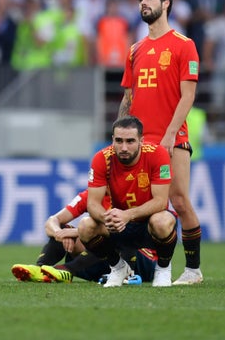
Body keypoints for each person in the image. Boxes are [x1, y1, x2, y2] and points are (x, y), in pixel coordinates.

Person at [118, 0, 204, 285]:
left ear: (166, 3)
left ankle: (193, 269)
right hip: (140, 143)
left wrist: (168, 136)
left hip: (172, 139)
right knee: (134, 209)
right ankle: (131, 267)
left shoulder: (184, 44)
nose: (143, 3)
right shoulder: (135, 50)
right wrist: (118, 135)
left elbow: (188, 96)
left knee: (179, 201)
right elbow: (128, 97)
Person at [73, 116, 178, 288]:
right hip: (118, 224)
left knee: (162, 221)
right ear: (112, 139)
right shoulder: (101, 158)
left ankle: (163, 268)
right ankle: (118, 267)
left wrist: (128, 215)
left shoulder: (158, 154)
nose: (123, 147)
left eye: (130, 141)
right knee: (85, 226)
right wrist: (108, 217)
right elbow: (92, 204)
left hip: (148, 224)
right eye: (119, 141)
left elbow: (160, 201)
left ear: (141, 141)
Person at [11, 189, 157, 284]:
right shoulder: (89, 196)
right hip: (104, 263)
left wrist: (75, 233)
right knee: (64, 228)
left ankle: (68, 269)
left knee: (107, 237)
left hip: (141, 261)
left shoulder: (131, 195)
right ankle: (41, 269)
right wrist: (60, 234)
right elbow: (52, 221)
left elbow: (122, 230)